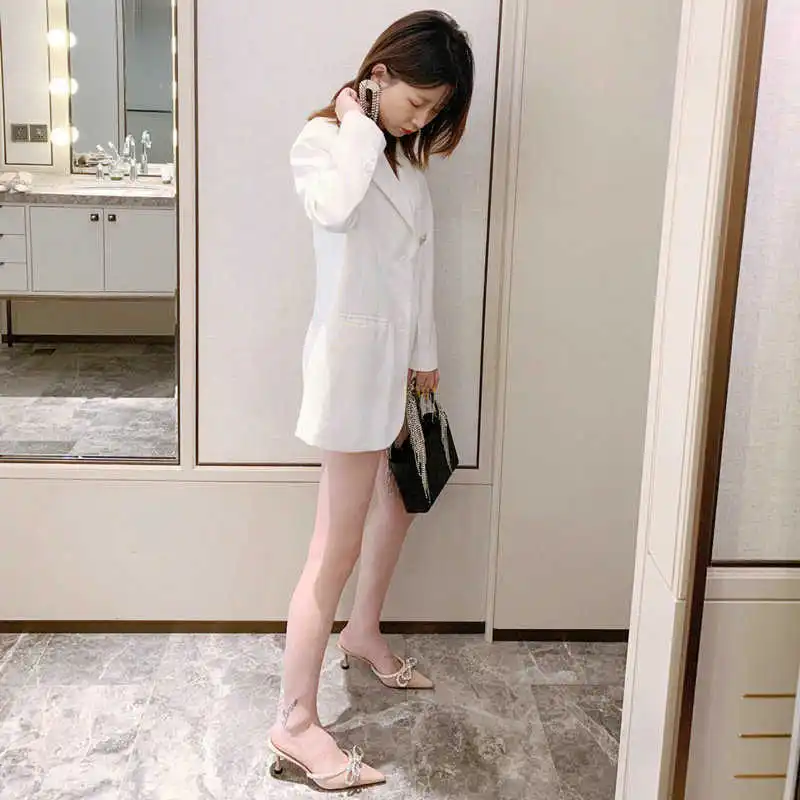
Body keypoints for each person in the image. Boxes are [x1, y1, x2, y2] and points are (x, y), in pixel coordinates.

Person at [268, 10, 475, 792]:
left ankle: (363, 630)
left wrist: (426, 360)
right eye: (415, 103)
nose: (419, 122)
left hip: (397, 371)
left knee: (401, 506)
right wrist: (356, 119)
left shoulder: (407, 171)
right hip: (353, 371)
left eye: (433, 113)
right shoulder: (326, 142)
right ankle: (294, 723)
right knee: (334, 548)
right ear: (379, 75)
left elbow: (418, 272)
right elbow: (332, 209)